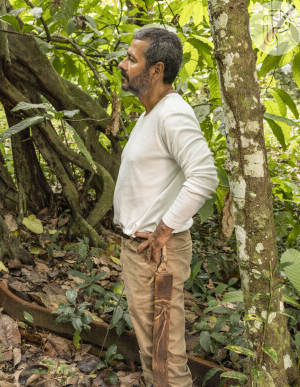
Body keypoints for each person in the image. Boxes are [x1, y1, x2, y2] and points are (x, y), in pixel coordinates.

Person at [113, 28, 218, 386]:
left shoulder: (172, 113)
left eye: (131, 59)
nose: (123, 64)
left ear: (156, 70)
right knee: (153, 352)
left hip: (157, 254)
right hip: (144, 252)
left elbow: (204, 175)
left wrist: (163, 230)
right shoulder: (151, 114)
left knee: (165, 358)